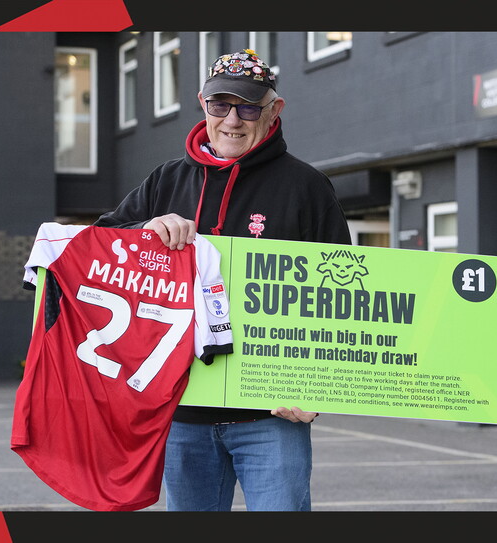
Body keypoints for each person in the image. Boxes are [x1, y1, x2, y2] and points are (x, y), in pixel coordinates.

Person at [94, 48, 352, 511]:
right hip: (182, 410)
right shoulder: (166, 181)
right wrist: (145, 230)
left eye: (249, 107)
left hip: (271, 414)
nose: (232, 120)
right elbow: (98, 245)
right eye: (220, 104)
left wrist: (319, 388)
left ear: (274, 109)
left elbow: (342, 296)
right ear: (202, 103)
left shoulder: (307, 187)